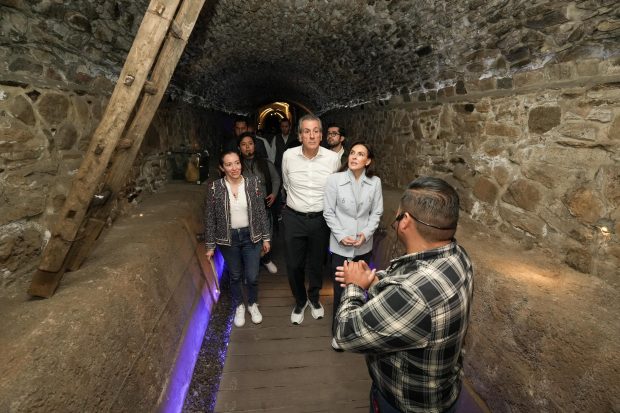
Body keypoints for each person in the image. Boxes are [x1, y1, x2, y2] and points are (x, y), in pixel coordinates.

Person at [334, 177, 473, 413]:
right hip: (443, 393)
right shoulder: (457, 255)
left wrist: (354, 286)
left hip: (404, 404)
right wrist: (375, 282)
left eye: (398, 216)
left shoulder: (411, 294)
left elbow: (345, 333)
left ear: (405, 221)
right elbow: (410, 286)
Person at [323, 141, 383, 351]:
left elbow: (376, 213)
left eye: (360, 154)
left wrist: (365, 234)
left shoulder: (374, 182)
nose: (354, 157)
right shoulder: (335, 180)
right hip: (341, 245)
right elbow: (329, 212)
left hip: (363, 246)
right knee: (340, 290)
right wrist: (340, 236)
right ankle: (338, 334)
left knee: (360, 289)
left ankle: (358, 331)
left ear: (368, 161)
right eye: (352, 153)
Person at [281, 114, 341, 324]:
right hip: (293, 218)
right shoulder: (288, 155)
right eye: (307, 131)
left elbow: (335, 189)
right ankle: (300, 301)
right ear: (300, 135)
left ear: (322, 134)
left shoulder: (332, 159)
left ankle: (314, 299)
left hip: (320, 220)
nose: (312, 135)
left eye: (316, 130)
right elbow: (286, 184)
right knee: (294, 265)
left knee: (317, 263)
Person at [204, 150, 271, 327]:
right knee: (235, 276)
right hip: (228, 239)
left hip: (252, 236)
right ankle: (239, 305)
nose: (234, 168)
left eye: (237, 163)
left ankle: (252, 303)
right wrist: (210, 246)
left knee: (252, 275)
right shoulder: (215, 187)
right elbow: (210, 217)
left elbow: (261, 213)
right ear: (222, 167)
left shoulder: (253, 183)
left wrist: (266, 238)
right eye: (229, 164)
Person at [238, 132, 280, 274]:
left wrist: (273, 194)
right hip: (245, 209)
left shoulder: (265, 163)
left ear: (254, 146)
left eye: (250, 144)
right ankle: (251, 264)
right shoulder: (237, 165)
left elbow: (276, 179)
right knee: (249, 237)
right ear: (239, 147)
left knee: (266, 234)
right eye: (243, 145)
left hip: (264, 206)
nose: (247, 147)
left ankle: (266, 259)